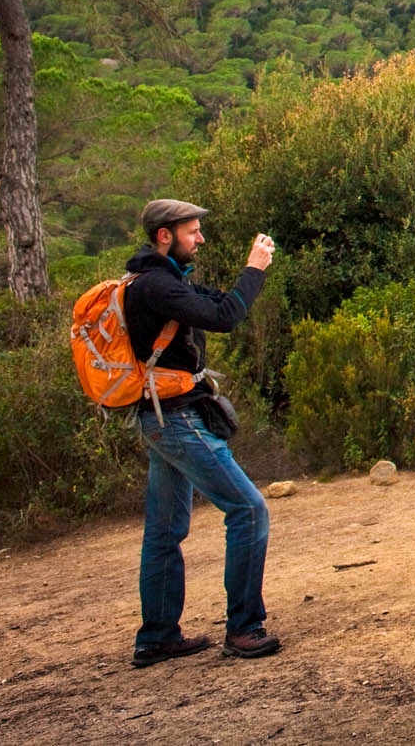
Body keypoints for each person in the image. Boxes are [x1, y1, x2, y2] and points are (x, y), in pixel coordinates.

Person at [124, 198, 279, 668]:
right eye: (193, 232)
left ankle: (158, 637)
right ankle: (244, 629)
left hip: (161, 416)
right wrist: (255, 269)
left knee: (165, 529)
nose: (201, 239)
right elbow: (227, 317)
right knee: (248, 510)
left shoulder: (161, 280)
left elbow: (216, 302)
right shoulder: (156, 285)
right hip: (176, 421)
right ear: (165, 235)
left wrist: (243, 280)